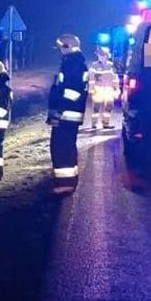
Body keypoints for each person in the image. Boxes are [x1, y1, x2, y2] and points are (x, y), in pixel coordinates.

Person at [47, 33, 89, 195]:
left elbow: (71, 92)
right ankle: (69, 180)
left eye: (60, 48)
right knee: (65, 146)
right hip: (67, 113)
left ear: (68, 47)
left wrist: (58, 111)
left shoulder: (73, 65)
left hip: (66, 114)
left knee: (61, 147)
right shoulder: (73, 63)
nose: (59, 51)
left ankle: (66, 183)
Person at [87, 47, 120, 130]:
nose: (102, 57)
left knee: (109, 107)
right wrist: (91, 89)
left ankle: (106, 123)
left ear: (107, 55)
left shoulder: (111, 65)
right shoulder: (94, 65)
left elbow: (115, 77)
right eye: (100, 55)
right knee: (96, 107)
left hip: (109, 89)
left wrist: (116, 88)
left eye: (104, 55)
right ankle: (94, 124)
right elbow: (91, 78)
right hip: (98, 89)